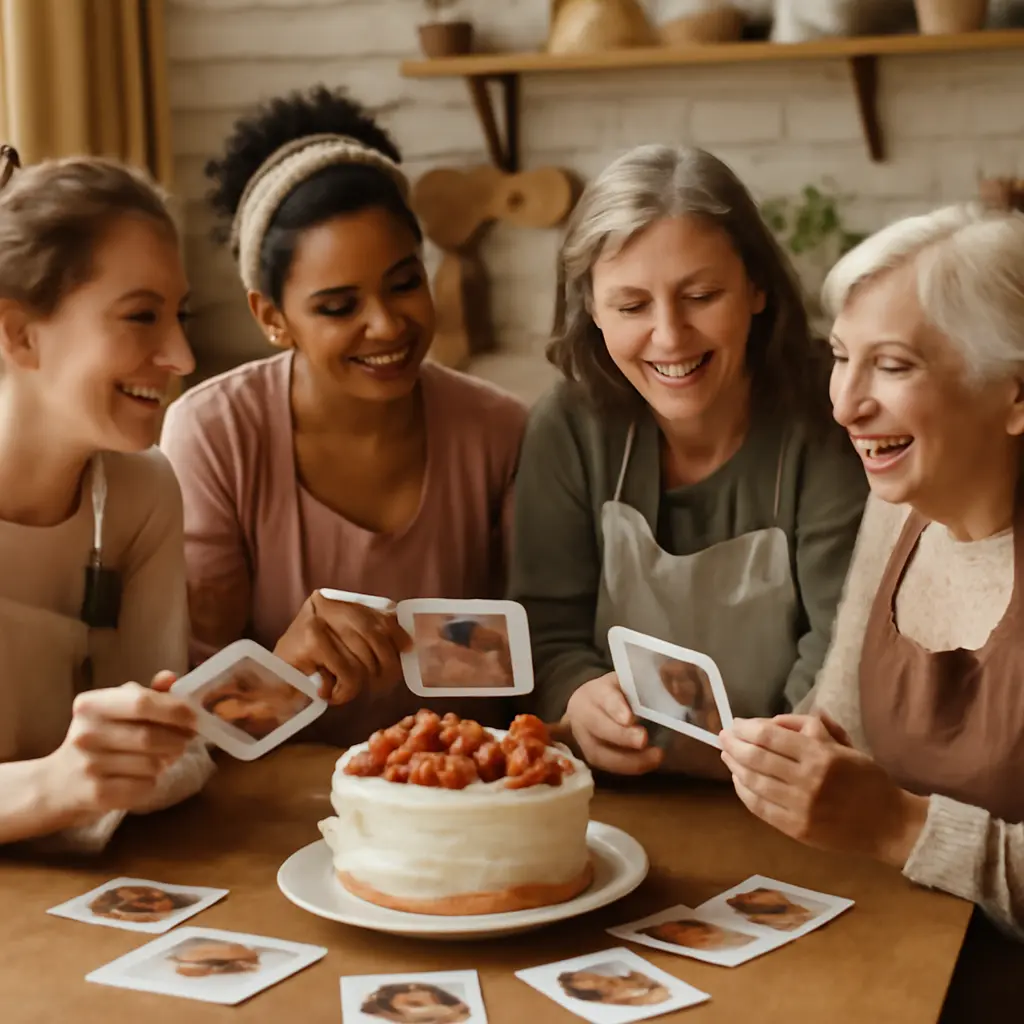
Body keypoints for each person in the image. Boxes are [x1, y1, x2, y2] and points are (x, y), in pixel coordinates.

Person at [160, 88, 526, 745]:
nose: (387, 325)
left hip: (469, 799)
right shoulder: (215, 435)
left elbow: (542, 663)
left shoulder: (502, 432)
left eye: (405, 283)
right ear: (271, 317)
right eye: (337, 306)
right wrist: (283, 669)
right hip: (270, 807)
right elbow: (193, 717)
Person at [719, 204, 1024, 943]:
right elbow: (842, 724)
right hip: (907, 949)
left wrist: (897, 824)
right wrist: (794, 759)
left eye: (892, 365)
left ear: (1015, 393)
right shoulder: (897, 506)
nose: (844, 404)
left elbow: (886, 817)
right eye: (840, 356)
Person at [511, 144, 867, 776]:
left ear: (756, 287)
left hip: (796, 787)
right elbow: (548, 631)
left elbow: (844, 647)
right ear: (590, 308)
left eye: (701, 295)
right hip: (615, 799)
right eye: (631, 306)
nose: (670, 336)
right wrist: (581, 697)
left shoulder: (828, 418)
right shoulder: (568, 426)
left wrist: (769, 769)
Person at [0, 148, 213, 850]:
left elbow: (175, 751)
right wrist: (53, 787)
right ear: (19, 332)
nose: (182, 356)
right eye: (141, 316)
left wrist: (153, 749)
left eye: (179, 314)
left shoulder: (145, 491)